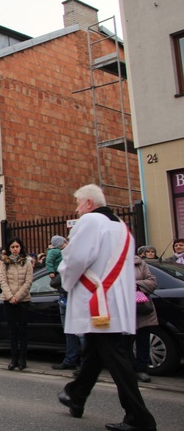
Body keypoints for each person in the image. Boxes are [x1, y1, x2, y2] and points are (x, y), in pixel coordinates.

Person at [57, 184, 157, 431]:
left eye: (79, 203)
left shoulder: (90, 221)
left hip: (97, 303)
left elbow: (77, 258)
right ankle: (76, 396)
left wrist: (65, 280)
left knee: (116, 359)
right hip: (114, 302)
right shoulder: (122, 228)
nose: (77, 209)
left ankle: (140, 419)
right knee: (95, 352)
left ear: (89, 203)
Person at [47, 235, 83, 371]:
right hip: (65, 296)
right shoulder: (62, 256)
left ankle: (83, 361)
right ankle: (71, 359)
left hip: (75, 296)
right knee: (69, 330)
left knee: (80, 331)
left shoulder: (75, 258)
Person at [0, 237, 33, 371]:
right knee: (12, 330)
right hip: (8, 300)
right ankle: (14, 358)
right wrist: (10, 297)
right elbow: (3, 280)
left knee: (22, 330)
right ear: (9, 249)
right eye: (12, 247)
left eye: (17, 246)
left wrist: (17, 296)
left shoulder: (27, 262)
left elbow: (28, 281)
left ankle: (23, 358)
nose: (15, 249)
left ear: (21, 247)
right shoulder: (4, 263)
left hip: (23, 300)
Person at [130, 255, 158, 383]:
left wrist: (135, 285)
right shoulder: (111, 262)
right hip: (125, 309)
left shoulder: (139, 263)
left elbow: (152, 282)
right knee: (124, 343)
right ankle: (129, 369)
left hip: (142, 308)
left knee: (143, 341)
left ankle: (142, 369)